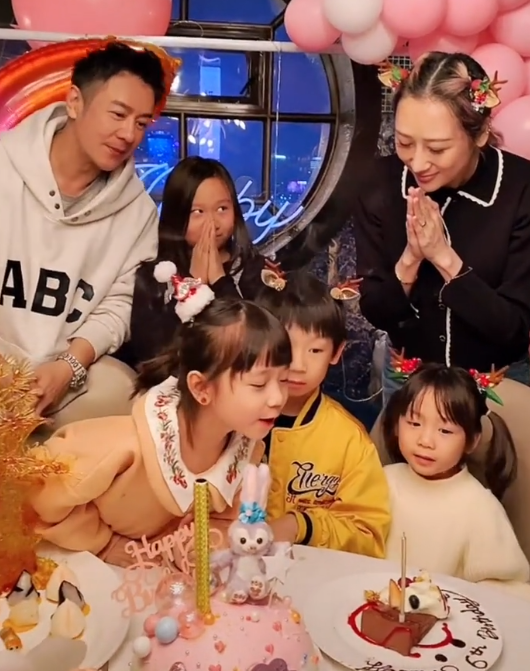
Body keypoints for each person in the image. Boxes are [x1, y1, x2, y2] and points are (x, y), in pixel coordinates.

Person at [30, 271, 292, 566]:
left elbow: (225, 522)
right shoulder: (124, 447)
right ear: (201, 388)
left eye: (283, 380)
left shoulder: (246, 454)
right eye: (259, 384)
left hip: (158, 579)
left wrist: (196, 547)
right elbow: (37, 494)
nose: (277, 398)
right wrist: (103, 543)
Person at [0, 42, 170, 428]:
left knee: (122, 392)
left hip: (61, 377)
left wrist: (68, 367)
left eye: (141, 123)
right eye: (118, 114)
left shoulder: (137, 213)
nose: (128, 134)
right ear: (75, 102)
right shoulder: (5, 167)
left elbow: (120, 305)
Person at [354, 52, 530, 404]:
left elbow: (514, 330)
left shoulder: (521, 189)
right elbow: (377, 310)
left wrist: (444, 258)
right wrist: (411, 259)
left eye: (437, 148)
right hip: (409, 382)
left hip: (499, 384)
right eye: (404, 143)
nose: (418, 162)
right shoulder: (379, 184)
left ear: (480, 134)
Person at [255, 268, 390, 557]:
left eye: (315, 350)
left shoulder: (349, 440)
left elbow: (368, 534)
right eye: (286, 348)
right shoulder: (230, 420)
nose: (298, 365)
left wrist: (302, 525)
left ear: (336, 352)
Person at [382, 362, 530, 598]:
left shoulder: (479, 507)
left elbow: (510, 591)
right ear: (397, 425)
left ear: (471, 440)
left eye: (445, 431)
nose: (425, 440)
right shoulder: (382, 480)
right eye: (414, 423)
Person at [129, 156, 265, 367]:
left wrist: (220, 281)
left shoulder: (254, 269)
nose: (212, 223)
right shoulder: (156, 274)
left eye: (222, 209)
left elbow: (256, 348)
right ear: (177, 215)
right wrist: (193, 285)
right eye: (198, 212)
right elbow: (152, 354)